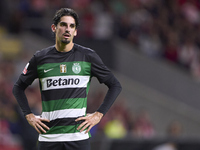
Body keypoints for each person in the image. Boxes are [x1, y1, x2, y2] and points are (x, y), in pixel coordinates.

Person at [12, 8, 122, 150]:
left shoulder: (87, 56)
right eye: (63, 24)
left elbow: (115, 85)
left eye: (71, 26)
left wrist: (98, 115)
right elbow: (18, 87)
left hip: (77, 138)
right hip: (49, 137)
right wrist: (29, 115)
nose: (67, 29)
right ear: (54, 28)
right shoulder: (40, 58)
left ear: (75, 31)